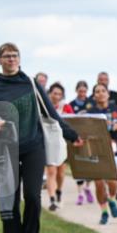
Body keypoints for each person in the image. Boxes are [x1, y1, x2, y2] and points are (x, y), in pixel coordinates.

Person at [0, 43, 81, 233]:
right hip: (5, 151)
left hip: (33, 146)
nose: (11, 59)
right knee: (10, 200)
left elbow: (51, 114)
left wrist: (71, 135)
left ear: (19, 58)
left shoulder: (31, 84)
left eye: (15, 55)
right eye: (7, 56)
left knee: (33, 196)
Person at [84, 83, 117, 225]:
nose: (101, 93)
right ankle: (104, 212)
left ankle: (112, 199)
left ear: (108, 94)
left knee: (113, 180)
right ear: (94, 96)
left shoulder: (116, 109)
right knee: (99, 183)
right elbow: (85, 131)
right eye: (97, 91)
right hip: (97, 150)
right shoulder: (91, 112)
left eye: (103, 91)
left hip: (114, 149)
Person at [45, 82, 74, 211]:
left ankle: (59, 192)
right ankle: (52, 199)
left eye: (59, 94)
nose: (57, 96)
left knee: (61, 173)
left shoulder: (66, 107)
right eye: (54, 93)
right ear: (49, 94)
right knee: (51, 171)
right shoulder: (43, 106)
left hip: (62, 143)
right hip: (48, 143)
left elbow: (72, 123)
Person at [68, 80, 93, 205]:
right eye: (80, 91)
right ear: (76, 91)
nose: (82, 93)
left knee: (91, 164)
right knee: (79, 164)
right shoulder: (71, 104)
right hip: (77, 137)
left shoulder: (91, 103)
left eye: (84, 91)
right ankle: (80, 194)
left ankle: (87, 187)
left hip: (89, 136)